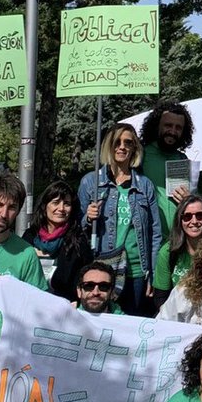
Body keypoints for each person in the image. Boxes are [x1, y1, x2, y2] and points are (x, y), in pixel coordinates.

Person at [77, 124, 161, 315]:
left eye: (128, 143)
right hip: (102, 270)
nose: (122, 147)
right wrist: (87, 219)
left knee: (131, 325)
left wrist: (153, 274)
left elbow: (154, 233)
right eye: (117, 142)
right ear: (109, 145)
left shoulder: (145, 185)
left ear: (134, 149)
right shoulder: (91, 183)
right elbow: (76, 228)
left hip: (137, 272)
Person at [22, 180, 93, 298]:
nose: (61, 208)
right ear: (45, 206)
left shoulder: (78, 240)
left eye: (67, 204)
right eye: (55, 203)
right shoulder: (29, 237)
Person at [139, 99, 195, 231]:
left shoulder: (183, 159)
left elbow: (192, 202)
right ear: (156, 126)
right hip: (148, 237)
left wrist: (189, 199)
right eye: (168, 125)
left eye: (178, 127)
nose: (173, 131)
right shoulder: (140, 156)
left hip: (177, 237)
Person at [151, 192, 202, 306]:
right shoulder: (168, 252)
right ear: (180, 221)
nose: (194, 221)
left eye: (200, 215)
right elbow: (161, 297)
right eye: (187, 216)